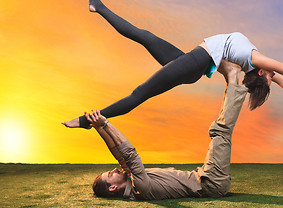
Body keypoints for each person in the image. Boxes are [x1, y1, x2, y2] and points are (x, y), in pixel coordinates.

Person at [63, 0, 283, 129]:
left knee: (140, 93)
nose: (274, 76)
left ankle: (88, 121)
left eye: (270, 77)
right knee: (144, 35)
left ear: (262, 73)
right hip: (190, 62)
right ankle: (98, 5)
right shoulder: (253, 60)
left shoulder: (254, 62)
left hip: (194, 64)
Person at [73, 61, 248, 200]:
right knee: (221, 131)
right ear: (113, 187)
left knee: (219, 131)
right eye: (109, 175)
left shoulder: (132, 179)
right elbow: (130, 154)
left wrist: (99, 127)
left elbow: (119, 154)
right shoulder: (141, 188)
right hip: (212, 184)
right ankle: (233, 76)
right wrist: (106, 123)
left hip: (204, 175)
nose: (113, 170)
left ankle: (232, 79)